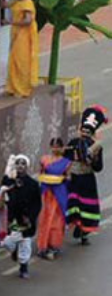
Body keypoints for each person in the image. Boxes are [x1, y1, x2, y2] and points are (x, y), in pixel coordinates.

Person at [64, 105, 106, 245]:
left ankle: (84, 232)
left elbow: (98, 167)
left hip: (87, 179)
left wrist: (92, 158)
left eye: (88, 130)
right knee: (74, 205)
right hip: (73, 178)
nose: (85, 132)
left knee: (87, 207)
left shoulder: (96, 147)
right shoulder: (73, 143)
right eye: (83, 130)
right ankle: (76, 226)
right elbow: (66, 159)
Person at [0, 155, 42, 279]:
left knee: (25, 243)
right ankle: (14, 249)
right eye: (18, 163)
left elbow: (37, 203)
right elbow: (1, 192)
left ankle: (24, 267)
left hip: (26, 220)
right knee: (6, 242)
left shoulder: (33, 184)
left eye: (23, 164)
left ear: (27, 166)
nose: (20, 166)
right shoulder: (9, 180)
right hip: (11, 218)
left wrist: (31, 217)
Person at [0, 0, 39, 98]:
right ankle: (13, 87)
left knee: (22, 61)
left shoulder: (27, 3)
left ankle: (24, 88)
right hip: (16, 34)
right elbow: (1, 4)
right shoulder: (16, 1)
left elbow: (27, 20)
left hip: (24, 35)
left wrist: (10, 22)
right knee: (14, 60)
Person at [37, 138, 72, 260]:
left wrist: (64, 180)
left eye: (58, 146)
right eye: (54, 146)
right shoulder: (44, 159)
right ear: (50, 147)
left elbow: (68, 178)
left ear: (62, 147)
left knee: (57, 220)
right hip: (47, 192)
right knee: (45, 218)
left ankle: (54, 245)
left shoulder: (66, 162)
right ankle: (42, 245)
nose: (55, 149)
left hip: (59, 193)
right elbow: (40, 173)